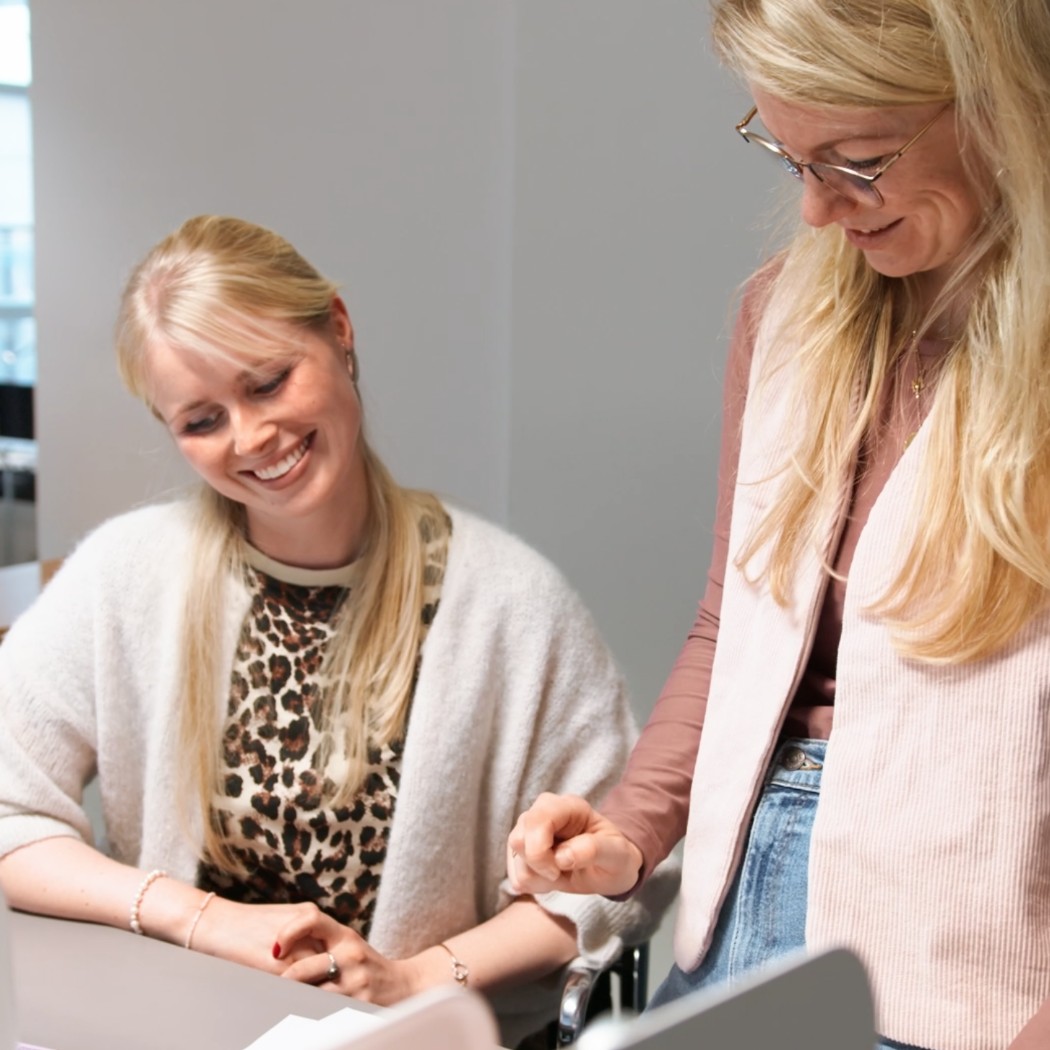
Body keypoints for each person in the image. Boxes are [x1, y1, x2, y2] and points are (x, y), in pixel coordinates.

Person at [507, 1, 1050, 1048]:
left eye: (856, 161)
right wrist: (629, 830)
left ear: (998, 102)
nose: (816, 212)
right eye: (788, 157)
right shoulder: (780, 315)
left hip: (959, 962)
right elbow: (734, 624)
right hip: (732, 918)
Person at [0, 214, 677, 1048]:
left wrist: (416, 981)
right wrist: (199, 919)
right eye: (201, 420)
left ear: (341, 330)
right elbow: (8, 810)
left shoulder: (510, 604)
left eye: (269, 382)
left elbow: (623, 876)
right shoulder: (124, 578)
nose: (251, 438)